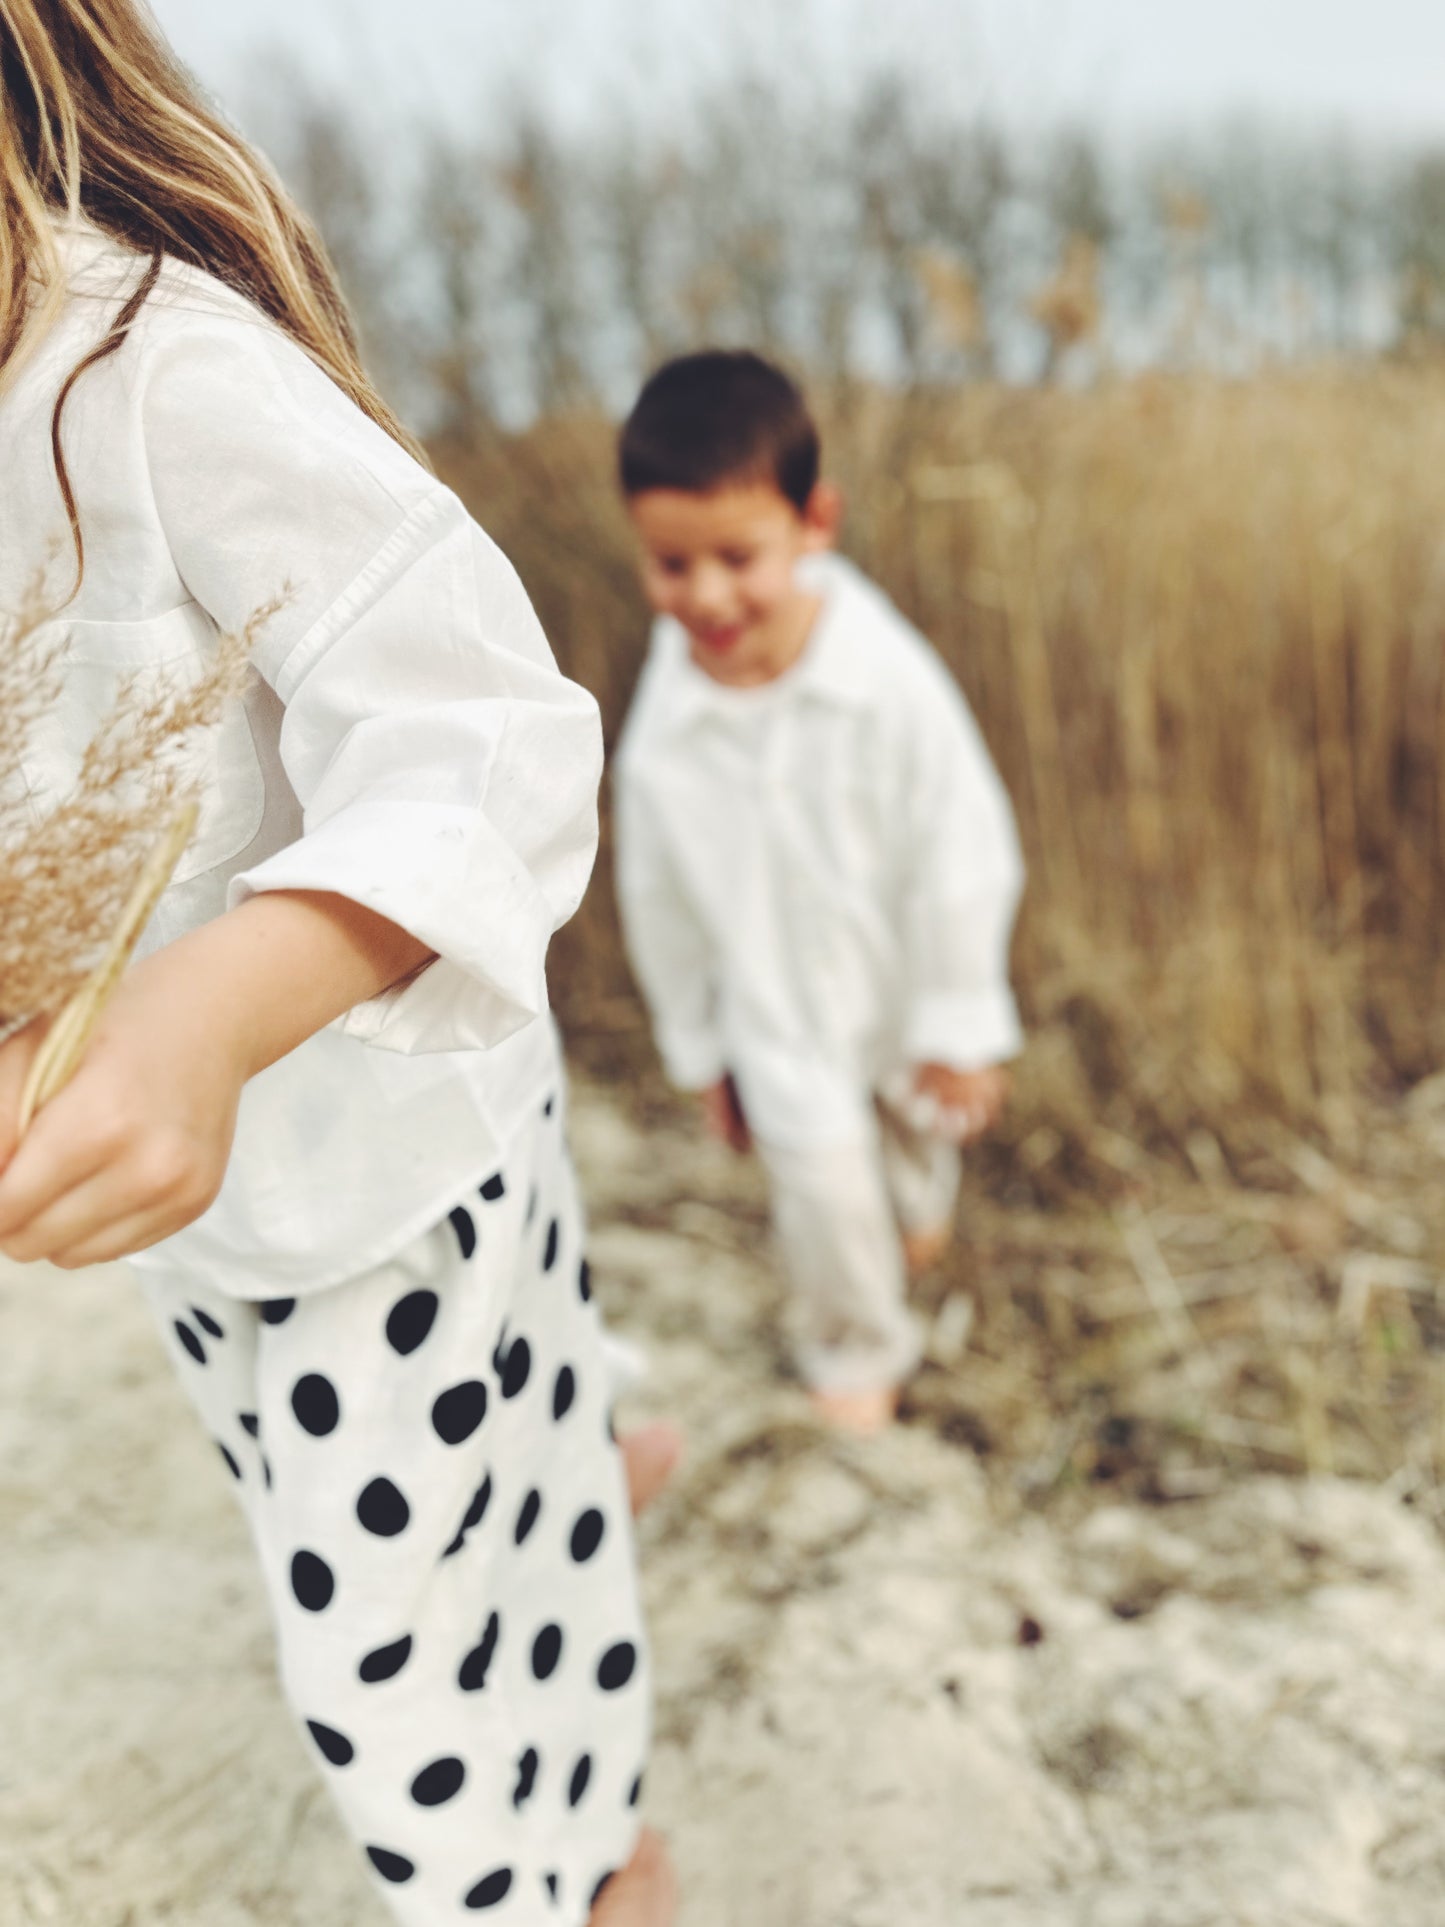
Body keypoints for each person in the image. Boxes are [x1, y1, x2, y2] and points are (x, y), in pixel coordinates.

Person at [0, 5, 676, 1923]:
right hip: (210, 1221)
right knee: (404, 1498)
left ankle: (591, 1871)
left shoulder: (150, 373)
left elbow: (491, 727)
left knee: (380, 1670)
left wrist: (215, 1008)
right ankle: (571, 1508)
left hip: (381, 1142)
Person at [614, 350, 1024, 1435]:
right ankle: (853, 1356)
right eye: (668, 564)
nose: (703, 595)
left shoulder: (883, 681)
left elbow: (960, 846)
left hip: (897, 984)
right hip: (775, 1009)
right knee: (825, 1202)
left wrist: (958, 1019)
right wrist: (702, 1049)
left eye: (735, 557)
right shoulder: (662, 737)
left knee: (912, 1169)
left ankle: (914, 1224)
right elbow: (656, 900)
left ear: (814, 523)